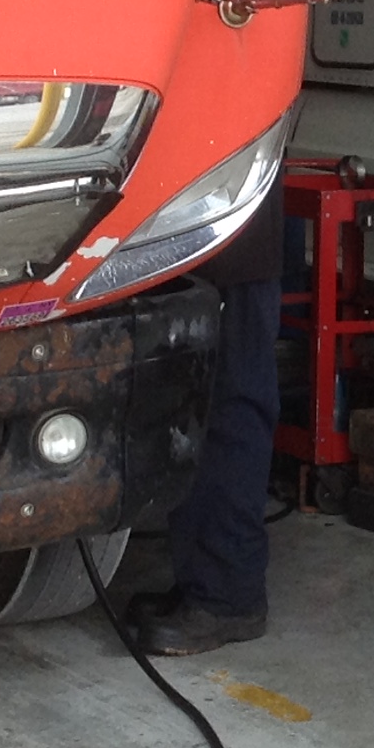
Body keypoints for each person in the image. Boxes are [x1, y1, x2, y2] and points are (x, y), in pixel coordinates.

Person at [129, 217, 284, 656]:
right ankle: (200, 581)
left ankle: (229, 597)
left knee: (231, 406)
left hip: (235, 242)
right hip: (198, 241)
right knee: (191, 409)